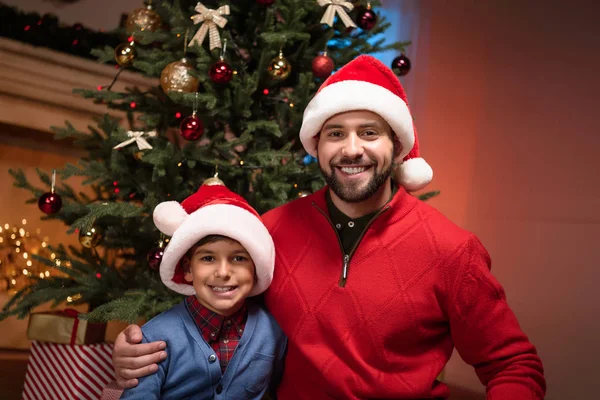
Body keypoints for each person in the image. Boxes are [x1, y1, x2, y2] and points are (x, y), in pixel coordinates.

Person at [112, 55, 546, 399]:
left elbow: (513, 366)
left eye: (370, 133)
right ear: (316, 145)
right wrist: (139, 351)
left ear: (396, 147)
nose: (351, 149)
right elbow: (216, 311)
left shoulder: (452, 250)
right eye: (336, 133)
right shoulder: (269, 232)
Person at [119, 177, 286, 399]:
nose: (224, 272)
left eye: (238, 258)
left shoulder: (273, 332)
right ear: (188, 269)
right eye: (208, 258)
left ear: (255, 269)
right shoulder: (154, 339)